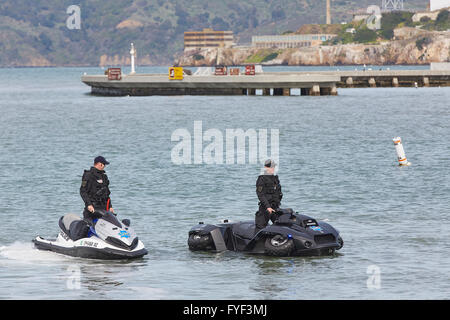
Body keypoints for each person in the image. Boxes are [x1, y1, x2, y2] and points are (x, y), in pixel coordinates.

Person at [80, 156, 114, 224]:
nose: (104, 166)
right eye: (104, 164)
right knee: (87, 225)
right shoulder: (88, 175)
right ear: (100, 164)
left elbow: (107, 194)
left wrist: (110, 206)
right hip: (92, 208)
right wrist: (89, 204)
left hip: (104, 209)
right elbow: (83, 191)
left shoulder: (104, 176)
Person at [255, 159, 283, 231]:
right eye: (271, 167)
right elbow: (260, 194)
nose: (273, 169)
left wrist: (278, 203)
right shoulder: (262, 179)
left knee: (280, 226)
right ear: (266, 168)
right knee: (260, 228)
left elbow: (278, 192)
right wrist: (268, 207)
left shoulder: (275, 178)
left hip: (275, 207)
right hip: (265, 208)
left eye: (273, 167)